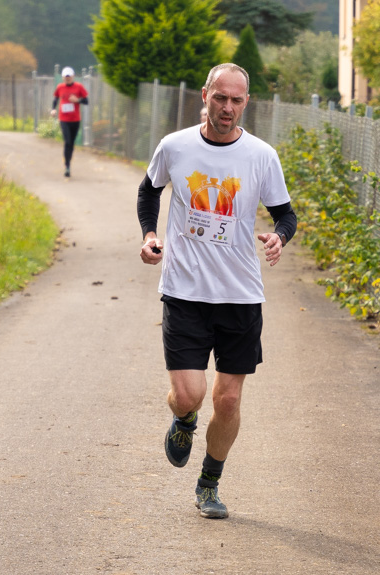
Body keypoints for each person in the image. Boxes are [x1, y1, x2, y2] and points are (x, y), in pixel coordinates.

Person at [137, 63, 297, 519]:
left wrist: (278, 237)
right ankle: (184, 418)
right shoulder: (176, 146)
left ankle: (209, 482)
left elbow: (286, 214)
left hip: (240, 294)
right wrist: (150, 235)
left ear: (247, 102)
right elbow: (149, 192)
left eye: (237, 100)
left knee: (227, 398)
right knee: (189, 394)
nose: (227, 108)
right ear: (205, 95)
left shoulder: (261, 155)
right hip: (185, 290)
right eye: (220, 98)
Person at [50, 66, 89, 178]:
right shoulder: (60, 87)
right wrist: (53, 109)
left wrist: (78, 100)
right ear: (62, 77)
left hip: (75, 119)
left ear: (73, 77)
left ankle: (68, 162)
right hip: (64, 119)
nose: (67, 78)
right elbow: (55, 99)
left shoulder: (79, 87)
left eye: (69, 76)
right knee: (67, 141)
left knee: (71, 143)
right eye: (65, 77)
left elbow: (86, 101)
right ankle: (67, 166)